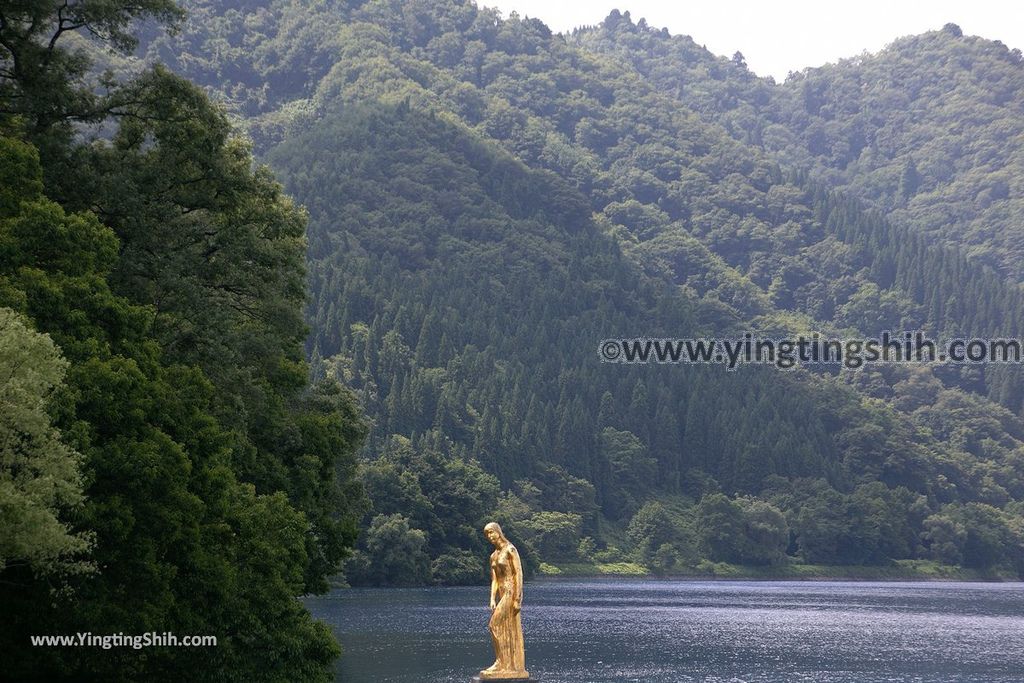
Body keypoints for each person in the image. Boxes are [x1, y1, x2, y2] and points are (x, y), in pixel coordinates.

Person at [479, 522, 530, 680]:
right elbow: (494, 579)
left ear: (498, 532)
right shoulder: (493, 555)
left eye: (491, 533)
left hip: (510, 592)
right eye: (487, 534)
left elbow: (518, 574)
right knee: (503, 628)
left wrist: (518, 598)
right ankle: (505, 663)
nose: (490, 537)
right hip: (501, 594)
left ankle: (502, 663)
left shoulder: (510, 549)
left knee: (494, 624)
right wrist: (492, 598)